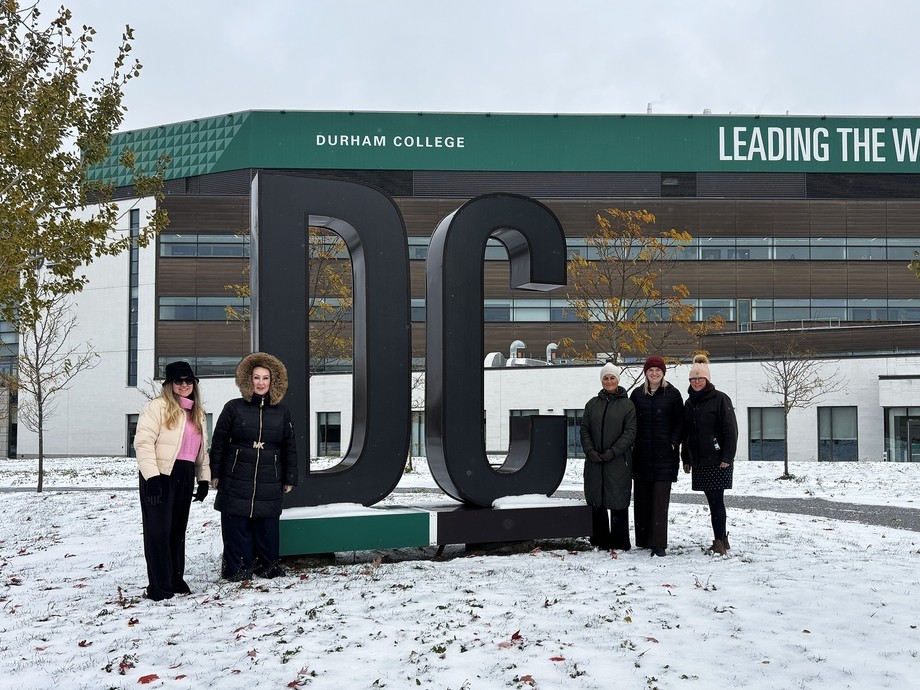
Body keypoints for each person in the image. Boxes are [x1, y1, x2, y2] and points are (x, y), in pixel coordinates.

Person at [210, 352, 298, 580]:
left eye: (265, 378)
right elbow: (219, 441)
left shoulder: (282, 411)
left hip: (270, 475)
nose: (260, 383)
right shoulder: (234, 407)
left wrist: (289, 476)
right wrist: (214, 472)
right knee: (236, 523)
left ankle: (267, 567)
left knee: (266, 526)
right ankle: (238, 570)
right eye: (256, 377)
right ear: (248, 380)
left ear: (273, 381)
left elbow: (289, 445)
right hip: (236, 475)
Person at [134, 361, 211, 601]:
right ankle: (160, 587)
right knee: (158, 532)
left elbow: (201, 451)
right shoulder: (156, 407)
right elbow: (143, 443)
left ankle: (176, 579)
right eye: (179, 381)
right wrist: (152, 476)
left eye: (189, 381)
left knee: (177, 530)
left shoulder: (197, 413)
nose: (184, 385)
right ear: (169, 384)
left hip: (185, 476)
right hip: (160, 475)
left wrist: (203, 479)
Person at [682, 354, 738, 555]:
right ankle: (722, 539)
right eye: (693, 379)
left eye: (700, 378)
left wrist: (727, 457)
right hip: (700, 460)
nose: (696, 382)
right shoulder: (689, 403)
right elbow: (687, 433)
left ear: (707, 379)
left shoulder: (720, 399)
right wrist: (686, 458)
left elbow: (730, 430)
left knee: (716, 501)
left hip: (717, 460)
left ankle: (719, 542)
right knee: (713, 501)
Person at [629, 355, 683, 557]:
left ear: (663, 373)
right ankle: (644, 540)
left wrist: (673, 442)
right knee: (642, 500)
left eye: (658, 370)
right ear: (646, 373)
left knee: (660, 501)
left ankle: (658, 543)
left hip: (665, 456)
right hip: (642, 455)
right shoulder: (637, 394)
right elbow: (631, 422)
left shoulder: (673, 394)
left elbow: (680, 422)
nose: (654, 373)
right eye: (650, 370)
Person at [580, 362, 637, 551]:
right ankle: (600, 540)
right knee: (597, 499)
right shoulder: (592, 404)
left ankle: (620, 541)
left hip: (618, 461)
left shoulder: (627, 405)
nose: (609, 381)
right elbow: (584, 429)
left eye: (612, 377)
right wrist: (590, 451)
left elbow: (630, 432)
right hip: (595, 461)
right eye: (606, 378)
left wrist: (613, 451)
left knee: (618, 500)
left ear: (617, 380)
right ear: (601, 380)